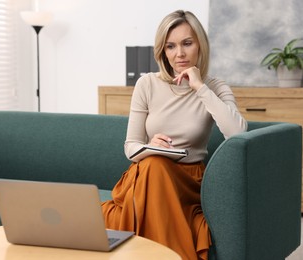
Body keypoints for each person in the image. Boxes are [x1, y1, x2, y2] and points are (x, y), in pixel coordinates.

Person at [102, 10, 247, 260]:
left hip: (189, 182)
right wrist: (150, 145)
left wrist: (199, 87)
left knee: (154, 168)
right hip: (149, 174)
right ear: (162, 51)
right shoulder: (147, 84)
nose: (179, 54)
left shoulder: (214, 87)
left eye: (187, 43)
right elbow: (130, 147)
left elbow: (238, 133)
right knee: (154, 165)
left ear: (200, 44)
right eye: (170, 46)